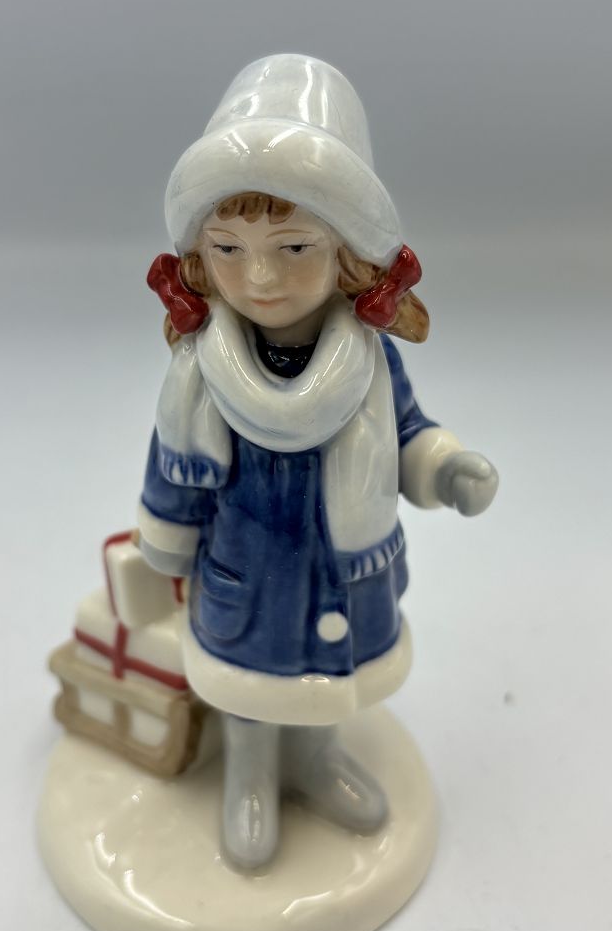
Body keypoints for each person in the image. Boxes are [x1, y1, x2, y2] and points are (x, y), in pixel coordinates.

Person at [139, 54, 498, 870]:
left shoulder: (369, 366)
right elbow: (175, 469)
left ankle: (315, 759)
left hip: (343, 571)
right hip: (247, 572)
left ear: (347, 255)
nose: (259, 276)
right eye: (228, 249)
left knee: (324, 688)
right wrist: (165, 545)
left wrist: (447, 469)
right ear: (200, 256)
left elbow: (408, 434)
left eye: (294, 245)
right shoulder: (200, 376)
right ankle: (250, 773)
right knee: (246, 689)